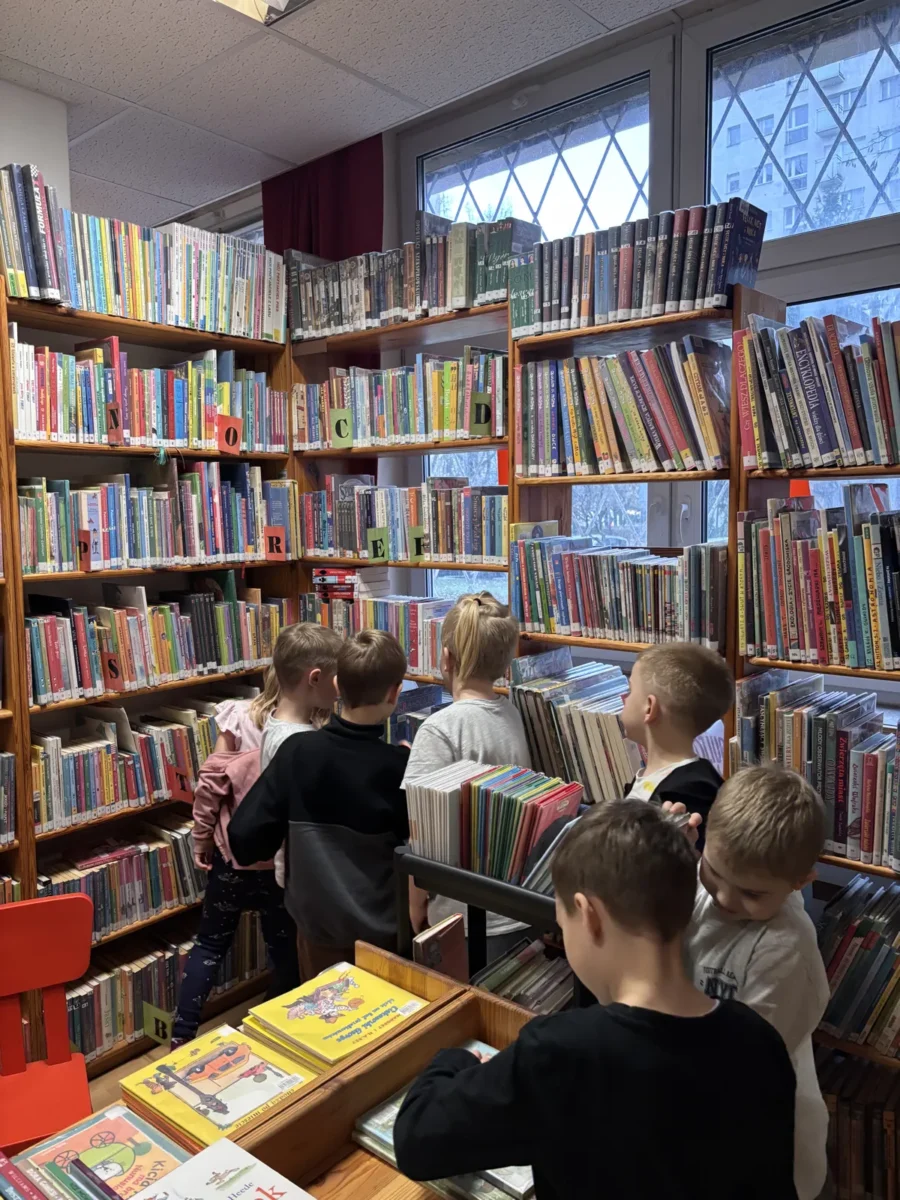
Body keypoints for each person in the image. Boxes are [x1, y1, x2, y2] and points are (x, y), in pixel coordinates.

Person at [394, 800, 798, 1200]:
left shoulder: (559, 1053)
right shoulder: (760, 1042)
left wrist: (456, 1060)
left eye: (562, 923)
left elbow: (416, 1141)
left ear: (588, 915)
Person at [229, 628, 411, 979]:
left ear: (338, 684)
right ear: (395, 693)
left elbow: (245, 839)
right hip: (384, 938)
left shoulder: (297, 752)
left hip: (318, 936)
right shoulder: (399, 767)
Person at [685, 766, 830, 1200]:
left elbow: (744, 1067)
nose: (724, 898)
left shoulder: (785, 949)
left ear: (799, 883)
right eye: (713, 871)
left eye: (751, 894)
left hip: (762, 1148)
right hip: (695, 1116)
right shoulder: (700, 885)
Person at [403, 592, 530, 955]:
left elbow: (421, 832)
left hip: (463, 915)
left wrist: (415, 902)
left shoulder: (440, 728)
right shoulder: (512, 714)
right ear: (506, 662)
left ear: (446, 658)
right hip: (516, 901)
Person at [619, 642, 733, 844]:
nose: (625, 699)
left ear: (649, 708)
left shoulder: (686, 793)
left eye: (630, 690)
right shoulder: (658, 777)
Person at [257, 623, 343, 887]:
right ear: (315, 679)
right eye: (338, 677)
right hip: (306, 871)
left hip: (300, 865)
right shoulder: (297, 742)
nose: (341, 687)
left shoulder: (277, 723)